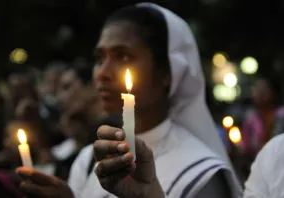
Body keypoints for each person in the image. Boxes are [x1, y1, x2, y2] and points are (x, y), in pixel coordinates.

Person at [16, 3, 242, 198]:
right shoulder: (89, 159)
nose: (102, 73)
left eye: (123, 56)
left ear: (167, 74)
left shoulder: (201, 173)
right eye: (99, 58)